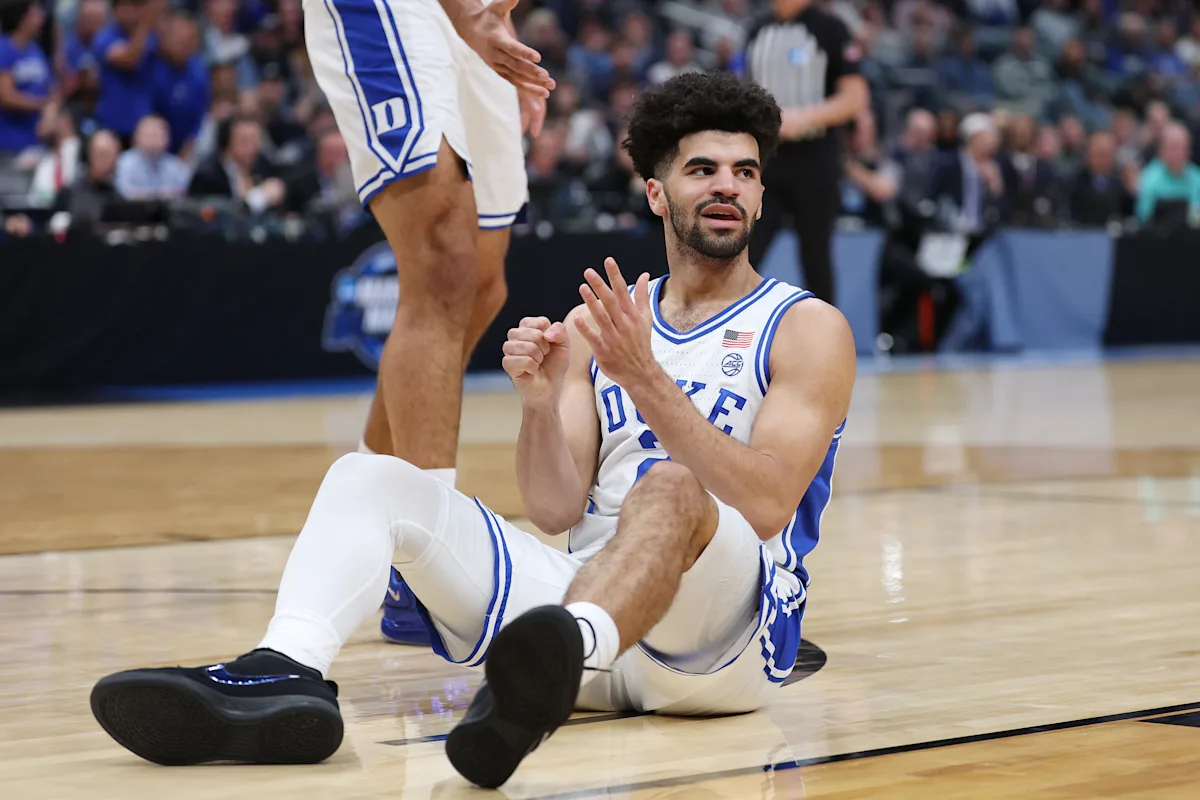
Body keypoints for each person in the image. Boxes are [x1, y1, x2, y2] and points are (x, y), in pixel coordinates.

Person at [88, 72, 855, 788]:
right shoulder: (601, 325)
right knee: (370, 477)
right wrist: (537, 404)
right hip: (583, 602)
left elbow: (766, 505)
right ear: (657, 193)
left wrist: (646, 379)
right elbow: (554, 508)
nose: (727, 186)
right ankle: (284, 670)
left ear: (760, 196)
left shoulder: (806, 328)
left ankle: (564, 654)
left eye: (744, 172)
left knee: (672, 487)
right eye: (703, 170)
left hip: (723, 640)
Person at [744, 0, 869, 305]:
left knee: (815, 258)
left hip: (815, 158)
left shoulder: (830, 28)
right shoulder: (757, 28)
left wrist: (803, 118)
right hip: (766, 160)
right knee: (743, 252)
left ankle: (825, 333)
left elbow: (855, 97)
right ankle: (729, 327)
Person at [92, 0, 164, 144]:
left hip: (142, 124)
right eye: (123, 6)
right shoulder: (103, 38)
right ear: (114, 11)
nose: (128, 12)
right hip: (111, 123)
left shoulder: (151, 38)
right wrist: (145, 23)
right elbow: (130, 60)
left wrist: (158, 16)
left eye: (133, 6)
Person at [0, 0, 51, 157]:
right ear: (22, 18)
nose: (41, 18)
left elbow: (49, 88)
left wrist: (51, 110)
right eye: (35, 14)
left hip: (35, 141)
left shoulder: (37, 51)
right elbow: (6, 96)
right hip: (8, 144)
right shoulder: (4, 49)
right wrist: (42, 105)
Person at [1135, 122, 1200, 226]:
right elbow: (1143, 217)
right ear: (1161, 150)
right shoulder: (1149, 178)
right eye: (1174, 147)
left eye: (1184, 147)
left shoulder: (1197, 177)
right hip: (1157, 233)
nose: (1180, 153)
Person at [113, 114, 191, 199]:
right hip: (135, 207)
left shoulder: (175, 165)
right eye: (150, 135)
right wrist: (160, 196)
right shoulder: (125, 162)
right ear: (137, 137)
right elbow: (124, 192)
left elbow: (188, 192)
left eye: (159, 135)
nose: (154, 140)